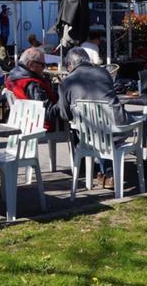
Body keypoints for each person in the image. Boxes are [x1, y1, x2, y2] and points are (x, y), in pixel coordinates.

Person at [56, 47, 131, 188]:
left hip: (90, 135)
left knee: (95, 132)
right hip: (117, 128)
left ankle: (105, 172)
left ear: (70, 64)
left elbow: (65, 115)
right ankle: (108, 173)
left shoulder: (66, 83)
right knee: (105, 128)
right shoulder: (103, 73)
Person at [5, 47, 60, 130]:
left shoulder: (12, 77)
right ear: (30, 64)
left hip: (21, 121)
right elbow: (48, 113)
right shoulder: (33, 85)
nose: (44, 68)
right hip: (38, 125)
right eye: (42, 65)